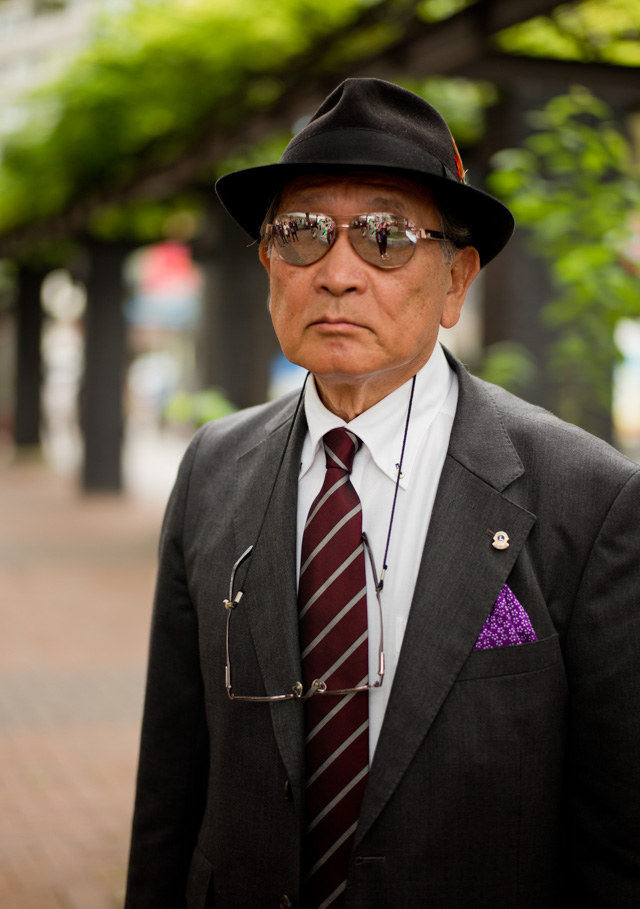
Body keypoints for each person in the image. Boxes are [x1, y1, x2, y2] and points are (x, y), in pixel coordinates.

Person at [125, 78, 640, 909]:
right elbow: (170, 784)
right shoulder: (210, 468)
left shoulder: (591, 498)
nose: (336, 274)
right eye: (300, 233)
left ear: (456, 281)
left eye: (386, 237)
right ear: (267, 264)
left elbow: (621, 841)